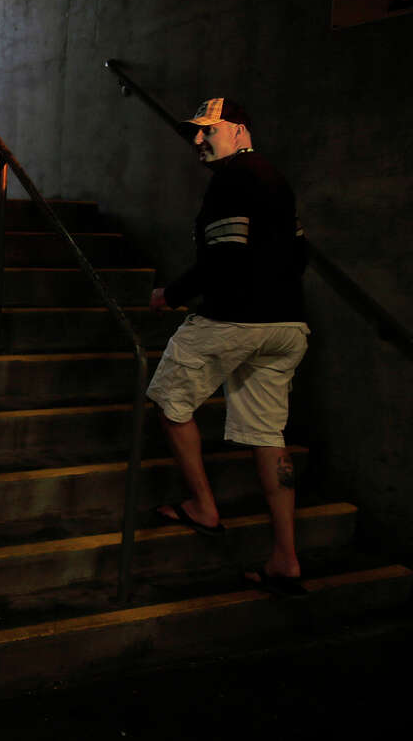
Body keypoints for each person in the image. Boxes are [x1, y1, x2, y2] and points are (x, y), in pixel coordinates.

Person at [146, 98, 309, 596]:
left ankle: (203, 507)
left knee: (169, 401)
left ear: (239, 131)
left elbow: (224, 259)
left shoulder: (231, 181)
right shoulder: (276, 181)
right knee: (267, 434)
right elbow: (299, 251)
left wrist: (169, 295)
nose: (198, 141)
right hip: (287, 326)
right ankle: (285, 559)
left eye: (208, 130)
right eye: (195, 133)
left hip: (236, 318)